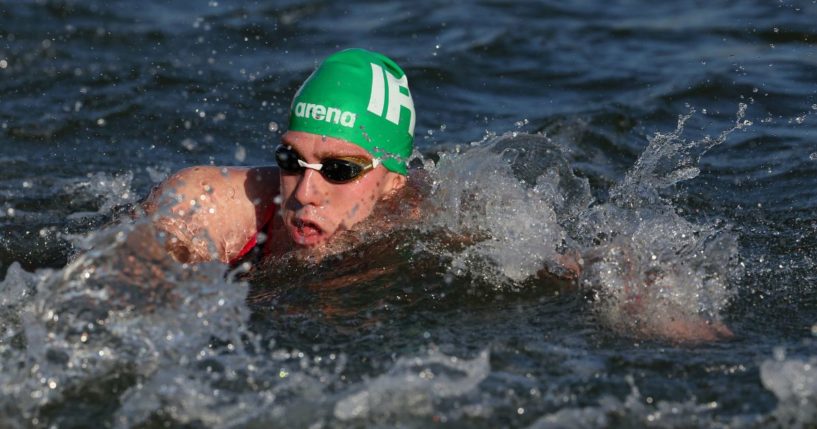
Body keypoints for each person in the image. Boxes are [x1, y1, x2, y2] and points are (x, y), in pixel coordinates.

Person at [142, 49, 417, 265]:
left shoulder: (428, 238)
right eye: (292, 160)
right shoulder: (204, 207)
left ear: (393, 183)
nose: (304, 192)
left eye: (339, 170)